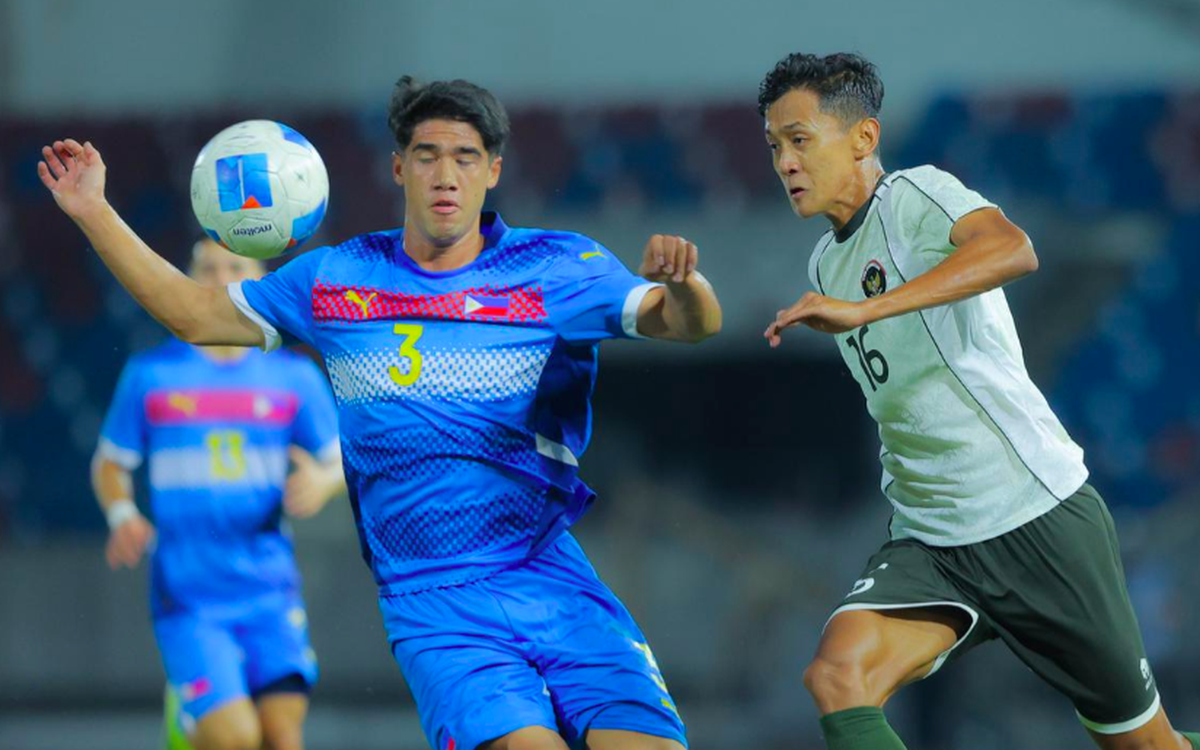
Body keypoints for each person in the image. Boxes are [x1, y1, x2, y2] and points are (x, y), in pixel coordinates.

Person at [44, 76, 722, 750]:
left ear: (493, 171)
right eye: (428, 156)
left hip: (550, 575)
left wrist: (684, 285)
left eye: (465, 157)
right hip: (434, 601)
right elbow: (195, 315)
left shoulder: (555, 267)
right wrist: (93, 210)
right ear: (399, 168)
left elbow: (688, 323)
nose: (445, 175)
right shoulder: (335, 280)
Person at [758, 51, 1200, 750]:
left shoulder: (917, 195)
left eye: (800, 140)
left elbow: (1014, 249)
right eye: (774, 146)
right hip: (933, 539)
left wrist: (868, 309)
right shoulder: (825, 262)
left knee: (1146, 746)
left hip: (1035, 519)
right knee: (837, 676)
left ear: (864, 138)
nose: (785, 161)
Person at [93, 238, 345, 750]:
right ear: (188, 278)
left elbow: (341, 459)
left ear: (260, 280)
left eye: (234, 265)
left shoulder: (293, 377)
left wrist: (323, 483)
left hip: (269, 590)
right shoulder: (152, 374)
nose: (220, 277)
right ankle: (189, 721)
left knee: (282, 737)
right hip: (190, 596)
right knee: (236, 738)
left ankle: (194, 715)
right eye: (207, 267)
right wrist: (122, 514)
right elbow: (110, 463)